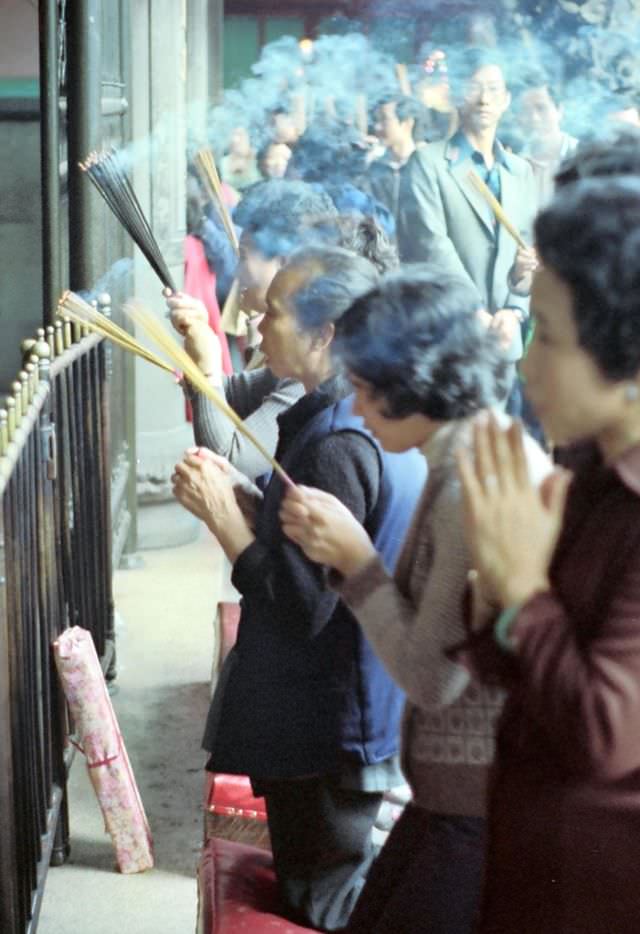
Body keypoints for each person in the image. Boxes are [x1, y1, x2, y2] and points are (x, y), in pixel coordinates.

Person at [279, 270, 550, 934]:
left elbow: (432, 677)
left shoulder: (471, 488)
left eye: (368, 392)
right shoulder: (471, 452)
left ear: (416, 386)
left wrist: (355, 561)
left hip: (476, 809)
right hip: (454, 798)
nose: (360, 410)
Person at [172, 247, 427, 932]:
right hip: (345, 720)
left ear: (328, 334)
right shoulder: (351, 418)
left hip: (326, 729)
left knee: (326, 901)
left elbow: (299, 608)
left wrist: (227, 523)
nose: (255, 322)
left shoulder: (336, 444)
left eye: (275, 312)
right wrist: (253, 506)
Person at [456, 176, 640, 934]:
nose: (527, 367)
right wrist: (498, 594)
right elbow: (523, 667)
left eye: (550, 340)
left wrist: (524, 589)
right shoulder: (588, 476)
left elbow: (605, 735)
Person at [398, 47, 538, 368]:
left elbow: (527, 251)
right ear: (459, 95)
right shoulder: (428, 162)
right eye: (475, 88)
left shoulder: (520, 171)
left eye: (493, 90)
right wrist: (473, 311)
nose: (484, 100)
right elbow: (429, 245)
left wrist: (514, 309)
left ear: (506, 100)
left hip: (504, 339)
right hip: (447, 335)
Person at [514, 69, 578, 206]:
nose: (534, 118)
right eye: (526, 110)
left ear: (559, 110)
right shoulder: (513, 163)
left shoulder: (582, 156)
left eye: (541, 108)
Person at [368, 95, 424, 227]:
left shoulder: (425, 168)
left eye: (384, 120)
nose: (377, 127)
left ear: (407, 123)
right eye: (376, 120)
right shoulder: (375, 169)